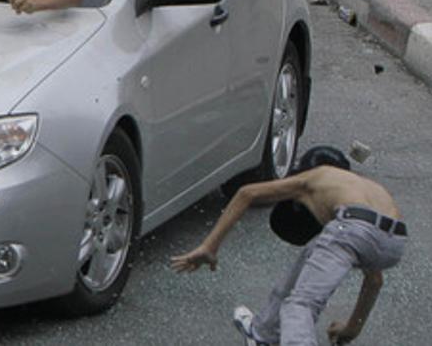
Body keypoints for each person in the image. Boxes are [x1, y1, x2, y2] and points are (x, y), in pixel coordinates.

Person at [170, 146, 408, 346]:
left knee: (300, 306)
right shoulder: (361, 187)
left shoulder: (315, 176)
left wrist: (209, 247)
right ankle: (263, 333)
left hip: (351, 227)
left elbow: (247, 193)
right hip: (395, 240)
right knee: (314, 250)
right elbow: (374, 279)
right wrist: (351, 329)